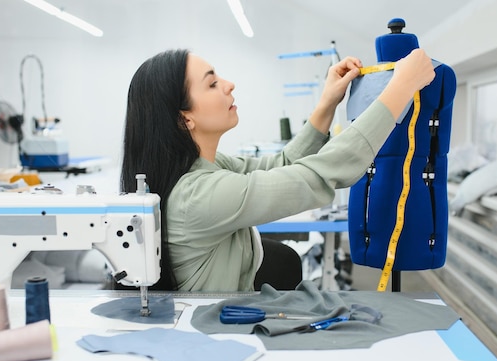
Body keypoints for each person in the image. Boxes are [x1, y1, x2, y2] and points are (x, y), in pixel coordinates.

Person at [120, 47, 435, 295]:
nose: (229, 85)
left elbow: (281, 164)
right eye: (213, 83)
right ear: (184, 118)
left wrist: (327, 102)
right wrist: (401, 88)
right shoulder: (197, 196)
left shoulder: (204, 169)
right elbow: (315, 177)